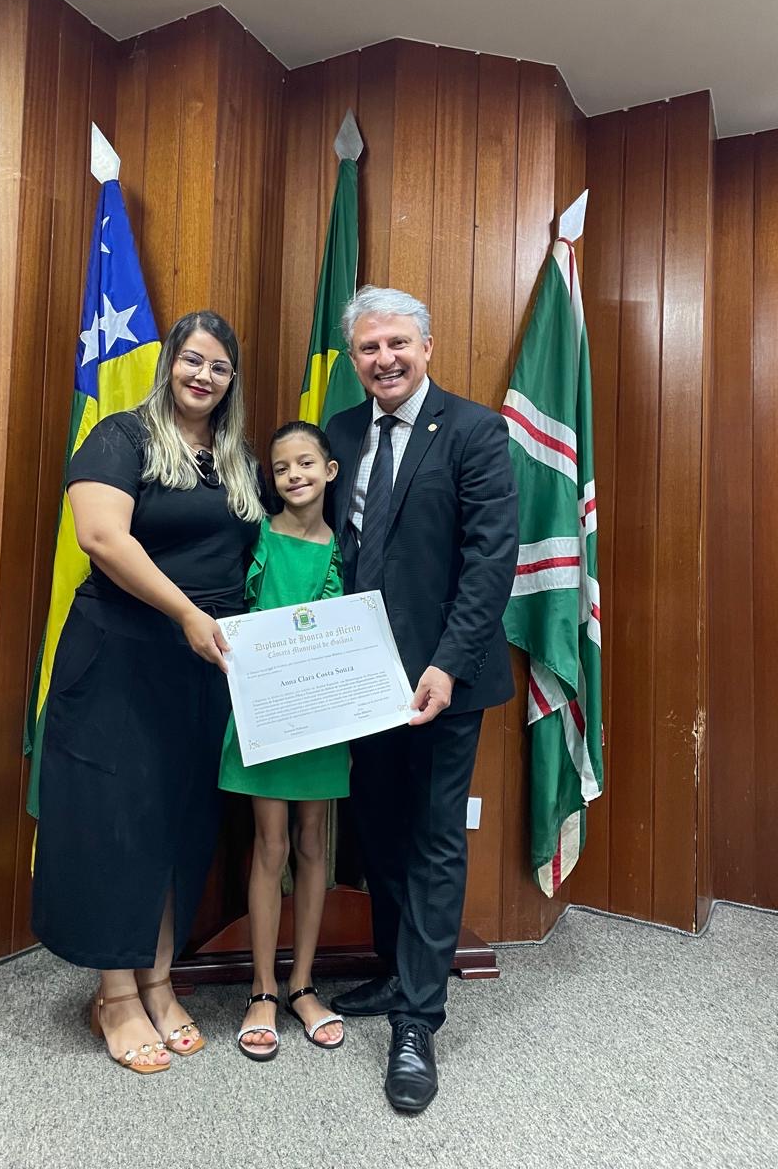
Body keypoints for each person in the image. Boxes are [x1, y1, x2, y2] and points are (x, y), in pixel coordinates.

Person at [32, 310, 264, 1076]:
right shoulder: (122, 437)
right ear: (169, 363)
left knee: (181, 824)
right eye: (193, 360)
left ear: (232, 380)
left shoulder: (237, 460)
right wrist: (188, 613)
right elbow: (101, 537)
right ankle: (115, 994)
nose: (204, 376)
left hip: (202, 667)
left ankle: (159, 980)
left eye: (219, 367)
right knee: (119, 822)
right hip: (121, 655)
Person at [325, 285, 518, 1114]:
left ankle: (417, 1018)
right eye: (369, 348)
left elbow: (490, 561)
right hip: (360, 681)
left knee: (435, 838)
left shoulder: (474, 431)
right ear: (354, 358)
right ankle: (394, 969)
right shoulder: (338, 434)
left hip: (445, 679)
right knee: (376, 830)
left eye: (398, 343)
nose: (385, 359)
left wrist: (445, 664)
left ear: (427, 347)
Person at [218, 421, 348, 1061]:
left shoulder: (346, 546)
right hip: (264, 715)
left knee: (314, 845)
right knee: (270, 847)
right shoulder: (257, 536)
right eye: (281, 468)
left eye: (305, 463)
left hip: (321, 718)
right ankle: (263, 990)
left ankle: (303, 985)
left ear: (329, 470)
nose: (294, 475)